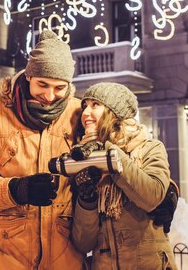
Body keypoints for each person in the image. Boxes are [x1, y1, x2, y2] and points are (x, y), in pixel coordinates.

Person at [0, 30, 85, 270]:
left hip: (66, 255)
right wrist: (15, 190)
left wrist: (164, 191)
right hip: (10, 254)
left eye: (59, 88)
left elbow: (123, 149)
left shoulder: (80, 115)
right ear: (29, 77)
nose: (49, 96)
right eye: (43, 84)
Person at [70, 82, 178, 270]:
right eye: (85, 105)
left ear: (115, 113)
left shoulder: (149, 147)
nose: (86, 113)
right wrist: (86, 201)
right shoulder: (83, 157)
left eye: (95, 105)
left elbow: (152, 196)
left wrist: (110, 155)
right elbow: (83, 243)